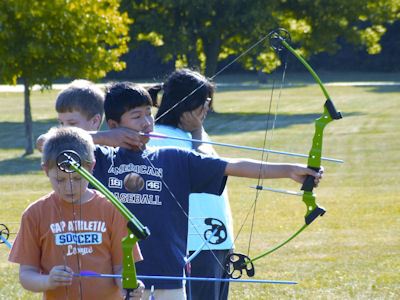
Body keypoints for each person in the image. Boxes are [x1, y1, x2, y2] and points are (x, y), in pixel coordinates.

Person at [90, 82, 323, 300]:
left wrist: (289, 170)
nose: (146, 122)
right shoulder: (98, 161)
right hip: (116, 277)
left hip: (168, 276)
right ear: (113, 125)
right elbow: (56, 145)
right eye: (136, 116)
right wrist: (102, 138)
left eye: (149, 114)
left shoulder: (173, 158)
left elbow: (233, 166)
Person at [9, 127, 144, 300]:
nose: (69, 187)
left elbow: (121, 268)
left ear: (91, 167)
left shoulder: (111, 208)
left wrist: (130, 285)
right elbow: (26, 275)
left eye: (78, 178)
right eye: (60, 180)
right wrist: (48, 281)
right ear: (45, 170)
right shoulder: (35, 214)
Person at [147, 69, 233, 300]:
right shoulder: (158, 138)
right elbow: (209, 164)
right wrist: (197, 132)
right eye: (203, 102)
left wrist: (197, 131)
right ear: (187, 103)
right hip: (192, 245)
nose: (207, 109)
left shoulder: (196, 135)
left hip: (215, 241)